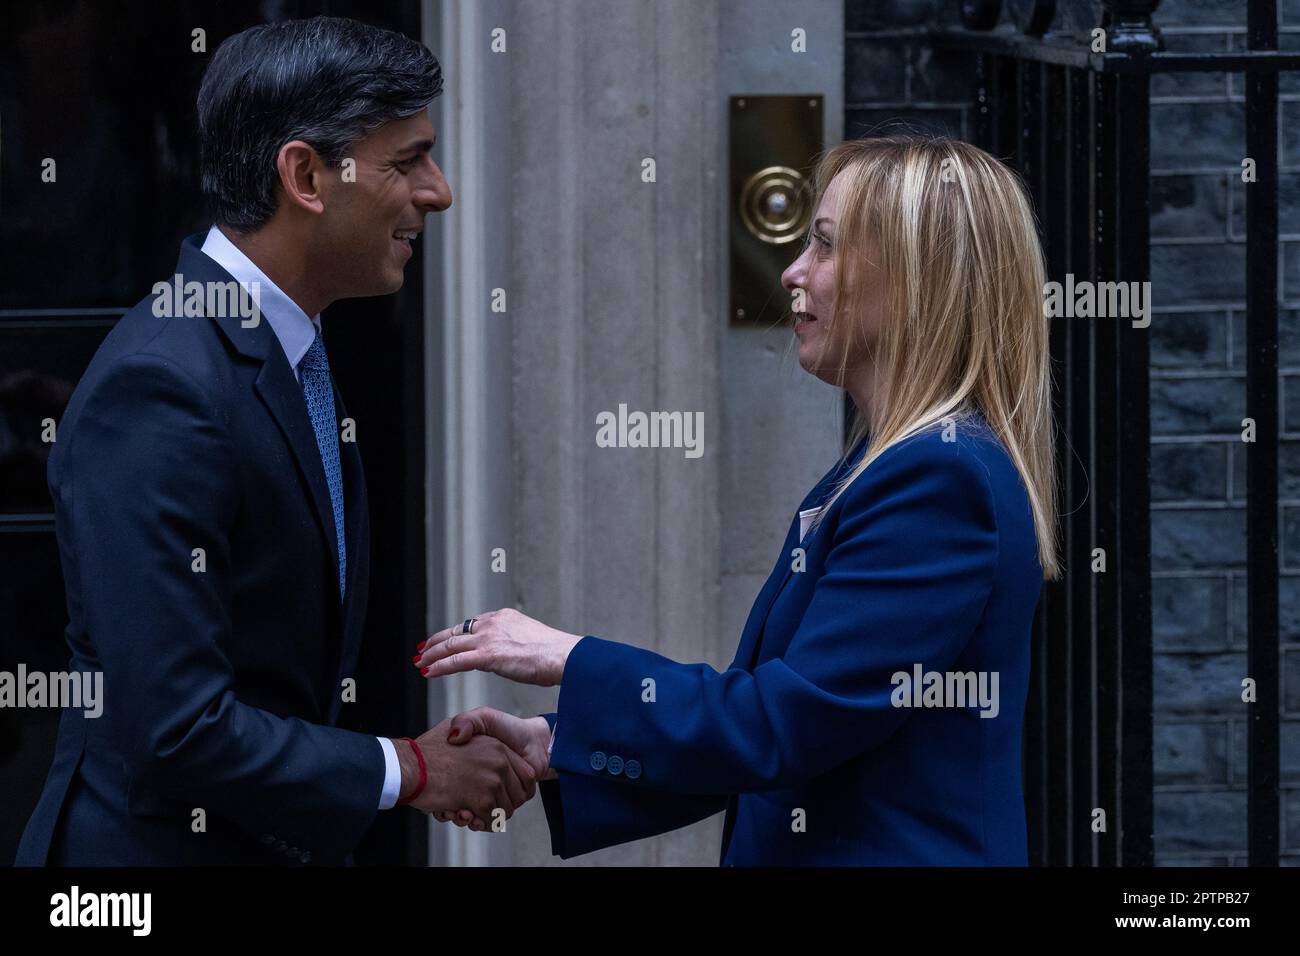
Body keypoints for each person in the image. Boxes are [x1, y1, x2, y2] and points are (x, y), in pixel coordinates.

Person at [415, 134, 1061, 865]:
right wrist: (556, 743)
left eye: (824, 246)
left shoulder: (938, 482)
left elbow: (780, 728)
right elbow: (780, 738)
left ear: (916, 282)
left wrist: (570, 656)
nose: (793, 272)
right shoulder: (895, 466)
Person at [16, 16, 534, 867]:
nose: (438, 192)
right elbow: (177, 729)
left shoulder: (288, 351)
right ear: (305, 176)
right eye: (407, 161)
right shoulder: (164, 386)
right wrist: (407, 769)